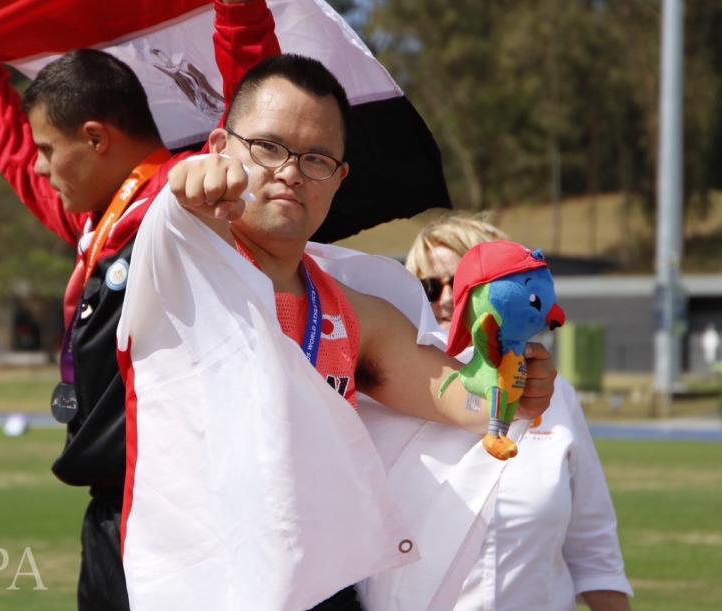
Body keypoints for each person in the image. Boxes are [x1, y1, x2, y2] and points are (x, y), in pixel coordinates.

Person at [142, 54, 556, 608]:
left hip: (324, 591)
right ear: (221, 149)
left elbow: (463, 396)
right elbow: (170, 216)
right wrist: (184, 187)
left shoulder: (354, 315)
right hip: (205, 588)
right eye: (268, 147)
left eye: (315, 159)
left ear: (339, 180)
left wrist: (512, 381)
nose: (289, 171)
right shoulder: (185, 260)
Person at [0, 2, 280, 609]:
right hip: (113, 511)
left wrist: (239, 11)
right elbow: (15, 160)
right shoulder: (97, 221)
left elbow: (255, 121)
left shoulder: (196, 198)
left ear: (94, 138)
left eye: (48, 149)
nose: (38, 166)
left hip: (191, 511)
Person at [404, 213, 633, 611]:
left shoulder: (556, 395)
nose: (444, 299)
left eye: (461, 284)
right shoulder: (384, 394)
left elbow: (595, 549)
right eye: (428, 286)